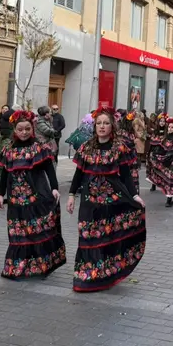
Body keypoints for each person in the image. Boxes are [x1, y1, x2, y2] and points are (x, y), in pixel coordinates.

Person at [66, 107, 146, 292]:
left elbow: (126, 176)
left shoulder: (119, 148)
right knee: (87, 235)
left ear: (112, 126)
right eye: (99, 123)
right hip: (89, 200)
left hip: (111, 199)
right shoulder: (86, 147)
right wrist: (71, 195)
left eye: (106, 123)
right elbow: (78, 174)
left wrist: (135, 196)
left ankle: (103, 274)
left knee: (106, 236)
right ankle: (86, 275)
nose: (102, 126)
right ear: (94, 126)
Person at [0, 110, 66, 279]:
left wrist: (54, 188)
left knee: (37, 230)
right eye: (20, 129)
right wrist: (0, 194)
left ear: (32, 128)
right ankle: (17, 266)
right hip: (15, 200)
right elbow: (5, 173)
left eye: (27, 129)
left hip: (37, 197)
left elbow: (49, 169)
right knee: (18, 232)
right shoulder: (9, 150)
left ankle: (40, 266)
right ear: (15, 130)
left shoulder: (39, 147)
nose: (24, 132)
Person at [151, 117, 173, 207]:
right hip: (167, 160)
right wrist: (156, 155)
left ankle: (169, 200)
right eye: (169, 127)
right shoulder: (165, 138)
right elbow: (163, 149)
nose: (170, 129)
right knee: (169, 180)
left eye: (172, 127)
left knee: (172, 181)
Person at [118, 111, 140, 194]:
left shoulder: (131, 132)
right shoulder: (122, 132)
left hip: (132, 157)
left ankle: (133, 193)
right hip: (126, 158)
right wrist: (133, 143)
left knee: (132, 175)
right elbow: (123, 145)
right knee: (127, 175)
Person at [146, 113, 167, 192]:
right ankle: (153, 185)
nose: (162, 123)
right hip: (155, 151)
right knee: (154, 169)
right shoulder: (155, 131)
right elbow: (152, 141)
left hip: (163, 152)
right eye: (161, 121)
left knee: (163, 170)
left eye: (163, 121)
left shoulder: (167, 132)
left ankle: (163, 185)